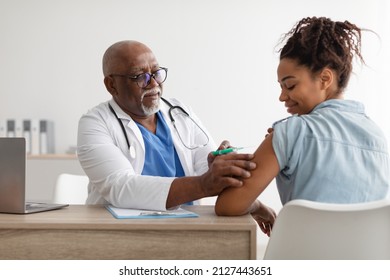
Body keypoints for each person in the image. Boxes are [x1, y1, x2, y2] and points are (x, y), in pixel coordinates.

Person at [77, 40, 275, 227]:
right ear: (111, 85)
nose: (153, 83)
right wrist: (204, 184)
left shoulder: (179, 111)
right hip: (119, 229)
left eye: (156, 73)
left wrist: (219, 166)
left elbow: (206, 169)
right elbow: (120, 187)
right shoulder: (95, 123)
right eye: (140, 76)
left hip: (186, 225)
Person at [215, 17, 390, 223]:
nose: (282, 96)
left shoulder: (290, 132)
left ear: (325, 79)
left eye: (289, 86)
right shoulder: (377, 137)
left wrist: (257, 205)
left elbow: (228, 206)